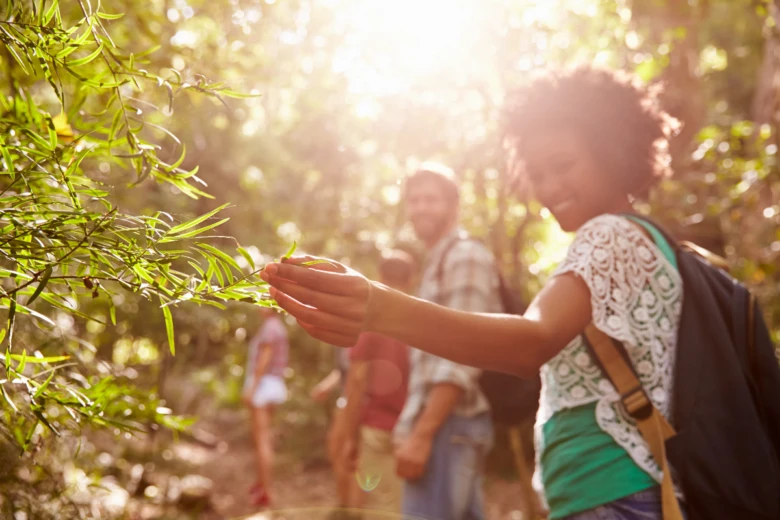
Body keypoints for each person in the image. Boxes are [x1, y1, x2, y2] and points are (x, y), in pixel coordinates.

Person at [260, 66, 686, 520]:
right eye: (537, 173)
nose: (549, 188)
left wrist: (377, 306)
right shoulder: (628, 241)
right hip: (603, 493)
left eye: (563, 166)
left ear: (613, 151)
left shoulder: (609, 236)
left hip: (616, 493)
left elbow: (531, 342)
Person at [328, 250, 415, 516]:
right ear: (412, 280)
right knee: (399, 501)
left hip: (377, 427)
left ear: (378, 277)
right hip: (413, 428)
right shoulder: (421, 319)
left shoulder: (373, 319)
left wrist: (347, 435)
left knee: (374, 501)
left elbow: (357, 380)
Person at [242, 307, 290, 508]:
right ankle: (261, 484)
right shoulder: (276, 327)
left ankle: (266, 491)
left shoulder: (271, 328)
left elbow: (265, 357)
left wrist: (252, 388)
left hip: (264, 386)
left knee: (262, 439)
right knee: (262, 438)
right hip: (271, 384)